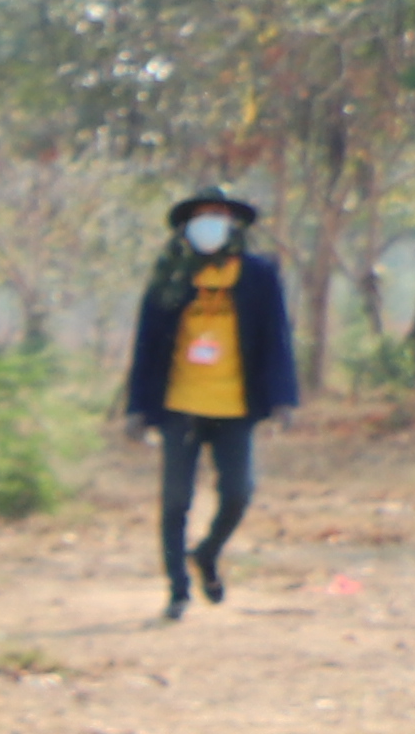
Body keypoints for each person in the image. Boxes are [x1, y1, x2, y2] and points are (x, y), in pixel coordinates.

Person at [122, 184, 298, 619]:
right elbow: (147, 342)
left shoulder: (258, 275)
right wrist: (138, 407)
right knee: (175, 500)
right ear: (186, 226)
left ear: (234, 223)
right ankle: (177, 590)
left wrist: (281, 398)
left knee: (238, 493)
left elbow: (276, 338)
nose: (211, 224)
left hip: (235, 406)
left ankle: (206, 553)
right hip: (180, 404)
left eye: (219, 215)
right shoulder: (170, 275)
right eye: (202, 216)